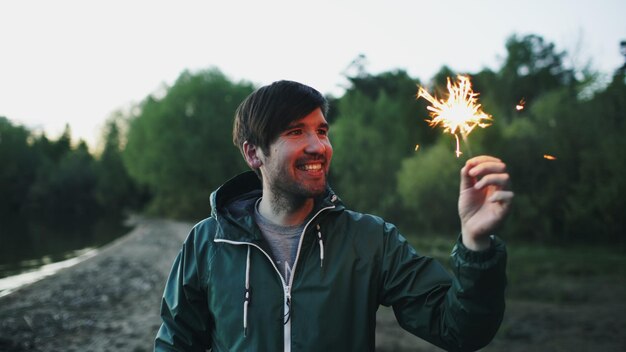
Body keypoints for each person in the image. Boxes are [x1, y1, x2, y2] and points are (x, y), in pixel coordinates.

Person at [155, 80, 514, 352]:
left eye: (322, 131)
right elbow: (175, 344)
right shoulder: (208, 242)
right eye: (296, 131)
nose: (319, 146)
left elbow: (459, 329)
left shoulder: (370, 239)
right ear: (254, 154)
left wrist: (476, 244)